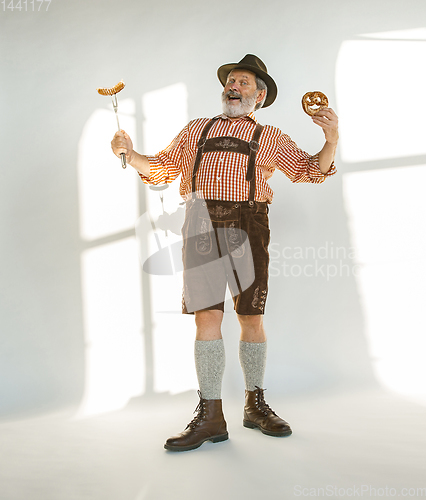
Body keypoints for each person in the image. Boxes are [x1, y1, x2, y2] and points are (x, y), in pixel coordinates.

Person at [111, 54, 339, 452]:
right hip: (201, 225)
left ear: (260, 95)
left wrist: (331, 139)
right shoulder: (196, 130)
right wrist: (130, 155)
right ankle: (211, 415)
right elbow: (161, 169)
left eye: (243, 83)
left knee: (251, 317)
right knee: (207, 318)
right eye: (231, 80)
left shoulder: (270, 137)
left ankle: (255, 403)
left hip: (249, 226)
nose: (233, 86)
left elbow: (310, 171)